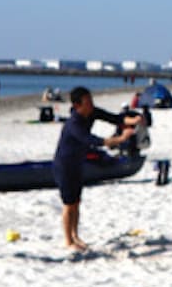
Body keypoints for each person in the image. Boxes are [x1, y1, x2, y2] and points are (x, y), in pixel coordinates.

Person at [53, 86, 140, 251]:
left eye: (91, 100)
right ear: (77, 105)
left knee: (76, 202)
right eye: (88, 102)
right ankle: (68, 241)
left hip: (78, 163)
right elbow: (94, 141)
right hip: (64, 165)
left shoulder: (91, 112)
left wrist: (133, 120)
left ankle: (75, 236)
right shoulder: (74, 123)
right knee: (69, 204)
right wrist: (121, 138)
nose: (91, 104)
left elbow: (114, 118)